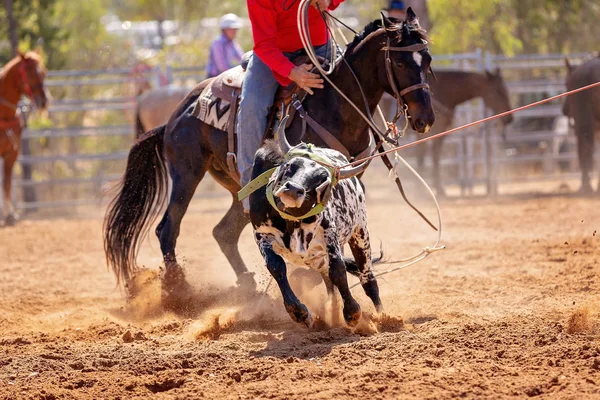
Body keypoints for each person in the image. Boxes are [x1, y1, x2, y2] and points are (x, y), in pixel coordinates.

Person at [238, 0, 345, 211]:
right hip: (274, 53)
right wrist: (292, 72)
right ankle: (250, 188)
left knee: (354, 85)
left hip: (320, 47)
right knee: (251, 107)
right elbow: (264, 44)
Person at [206, 13, 245, 78]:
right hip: (213, 77)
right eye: (232, 29)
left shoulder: (232, 43)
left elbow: (241, 57)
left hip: (224, 75)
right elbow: (222, 66)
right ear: (224, 30)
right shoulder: (218, 43)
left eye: (236, 29)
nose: (234, 32)